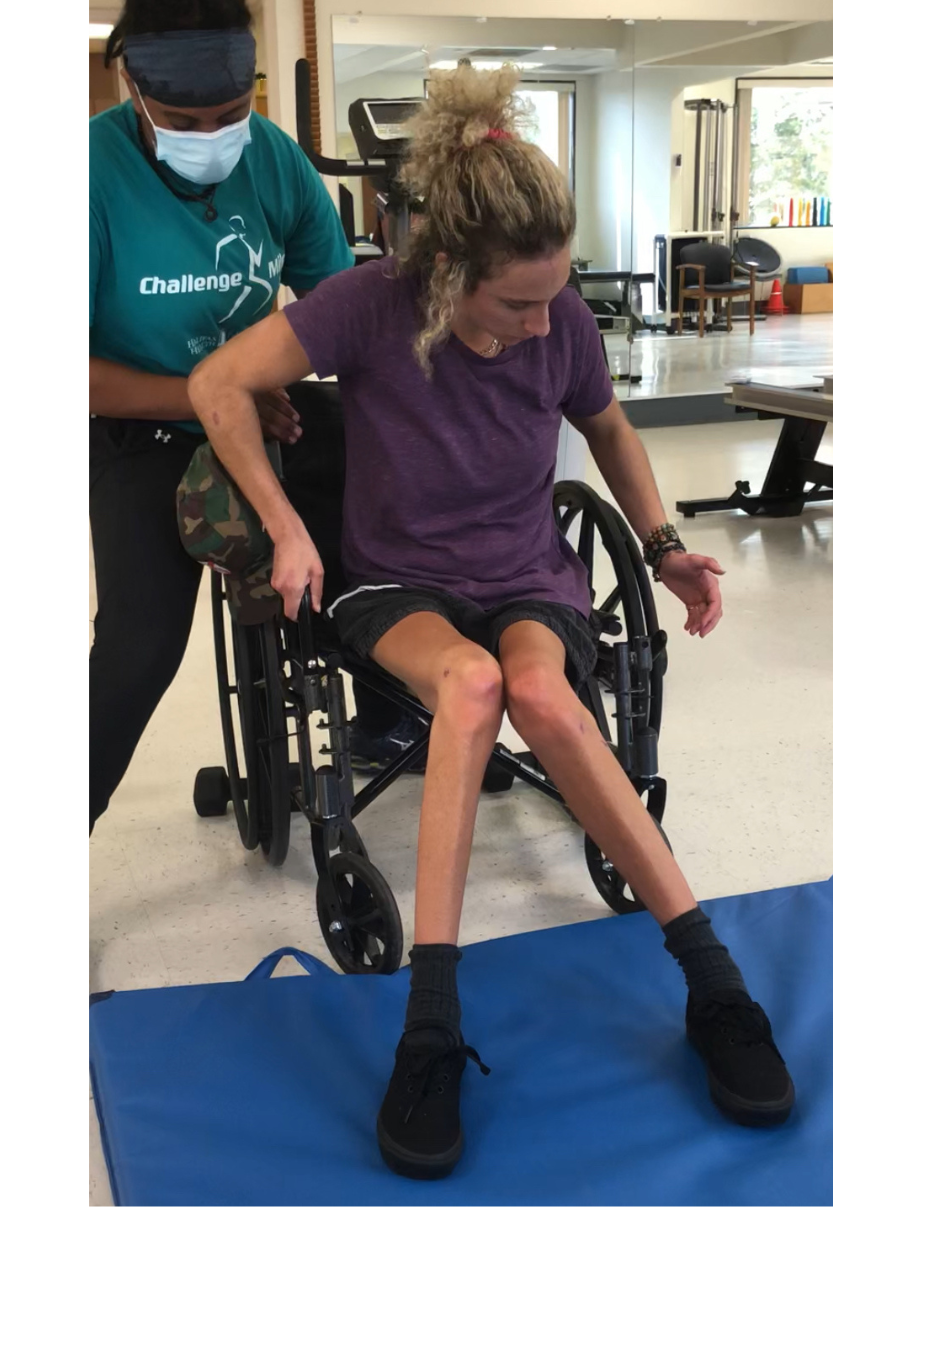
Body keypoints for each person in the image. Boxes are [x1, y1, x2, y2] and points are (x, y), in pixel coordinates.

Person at [186, 65, 795, 1180]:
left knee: (547, 693)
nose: (541, 322)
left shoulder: (557, 317)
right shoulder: (369, 305)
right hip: (395, 581)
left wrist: (662, 549)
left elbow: (609, 433)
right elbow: (218, 385)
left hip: (525, 571)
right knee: (469, 688)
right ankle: (430, 1029)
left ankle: (716, 987)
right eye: (514, 303)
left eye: (550, 298)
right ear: (443, 273)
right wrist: (284, 526)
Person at [89, 0, 414, 837]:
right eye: (184, 120)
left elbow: (339, 306)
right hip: (140, 424)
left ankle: (390, 716)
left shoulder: (272, 159)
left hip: (269, 407)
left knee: (376, 545)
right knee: (139, 648)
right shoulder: (94, 174)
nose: (213, 134)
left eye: (230, 114)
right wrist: (213, 391)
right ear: (134, 87)